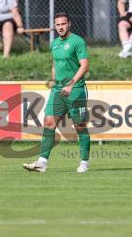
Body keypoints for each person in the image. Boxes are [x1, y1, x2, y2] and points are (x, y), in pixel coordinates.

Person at [23, 12, 90, 173]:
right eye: (57, 24)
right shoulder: (54, 44)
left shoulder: (77, 41)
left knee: (79, 126)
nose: (60, 27)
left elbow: (85, 65)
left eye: (63, 24)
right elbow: (55, 64)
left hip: (76, 89)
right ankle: (42, 163)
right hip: (58, 90)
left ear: (69, 24)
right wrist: (53, 81)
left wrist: (71, 85)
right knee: (49, 123)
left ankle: (84, 163)